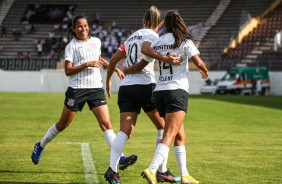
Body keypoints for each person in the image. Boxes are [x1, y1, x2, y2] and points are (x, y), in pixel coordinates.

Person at [31, 15, 136, 170]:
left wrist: (115, 69)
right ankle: (40, 145)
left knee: (106, 125)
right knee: (63, 124)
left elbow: (99, 59)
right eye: (79, 26)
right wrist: (87, 64)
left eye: (85, 25)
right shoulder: (71, 46)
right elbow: (67, 70)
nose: (83, 29)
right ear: (73, 29)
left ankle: (120, 158)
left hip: (95, 89)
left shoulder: (96, 42)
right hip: (77, 90)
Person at [126, 10, 208, 184]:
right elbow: (198, 62)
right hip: (176, 91)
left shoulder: (158, 41)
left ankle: (185, 175)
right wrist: (204, 69)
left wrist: (128, 70)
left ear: (165, 24)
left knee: (179, 135)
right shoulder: (184, 41)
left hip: (159, 92)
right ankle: (152, 169)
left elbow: (143, 61)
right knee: (170, 134)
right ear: (180, 23)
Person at [104, 6, 182, 184]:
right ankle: (162, 171)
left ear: (143, 21)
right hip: (145, 85)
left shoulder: (131, 37)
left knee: (124, 131)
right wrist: (166, 58)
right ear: (160, 23)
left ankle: (112, 171)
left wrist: (108, 81)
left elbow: (114, 60)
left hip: (126, 88)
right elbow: (147, 53)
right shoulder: (154, 37)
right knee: (164, 128)